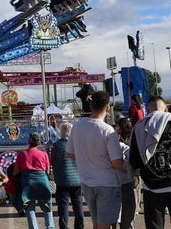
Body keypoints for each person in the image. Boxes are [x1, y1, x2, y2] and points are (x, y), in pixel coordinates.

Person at [67, 91, 123, 229]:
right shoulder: (108, 130)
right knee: (104, 224)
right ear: (107, 108)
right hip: (107, 183)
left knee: (96, 222)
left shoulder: (77, 126)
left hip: (86, 181)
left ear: (90, 106)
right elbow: (117, 163)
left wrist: (86, 156)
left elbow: (70, 153)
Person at [129, 95, 171, 229]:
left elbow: (134, 161)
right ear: (165, 109)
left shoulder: (138, 126)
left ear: (148, 110)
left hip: (151, 186)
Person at [13, 132, 55, 229]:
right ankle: (50, 226)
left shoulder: (22, 154)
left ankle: (33, 227)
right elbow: (48, 171)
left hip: (28, 183)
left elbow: (15, 172)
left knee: (30, 207)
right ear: (39, 143)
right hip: (42, 182)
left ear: (29, 141)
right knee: (47, 206)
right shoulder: (44, 154)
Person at [50, 122, 85, 229]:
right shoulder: (77, 144)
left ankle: (64, 227)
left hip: (62, 180)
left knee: (63, 208)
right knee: (78, 206)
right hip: (77, 180)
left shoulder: (56, 145)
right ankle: (79, 227)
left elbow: (52, 161)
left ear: (61, 131)